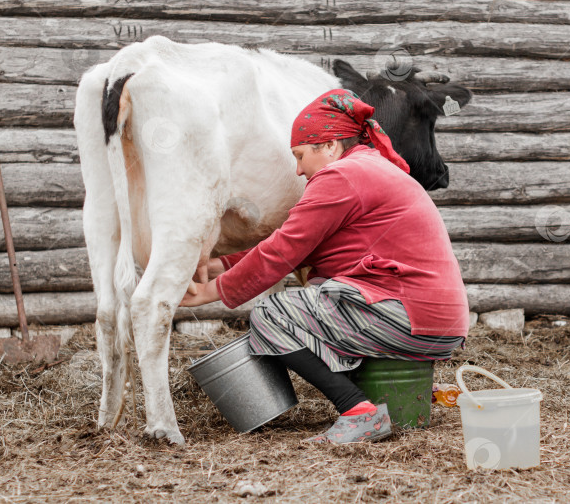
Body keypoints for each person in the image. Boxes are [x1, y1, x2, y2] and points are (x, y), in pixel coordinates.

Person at [181, 89, 469, 443]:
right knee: (313, 298)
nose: (299, 169)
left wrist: (209, 293)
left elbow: (283, 250)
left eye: (301, 155)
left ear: (330, 146)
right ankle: (383, 392)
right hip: (430, 319)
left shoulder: (343, 176)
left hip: (410, 315)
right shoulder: (367, 167)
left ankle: (358, 410)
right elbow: (298, 247)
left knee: (273, 314)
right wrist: (217, 266)